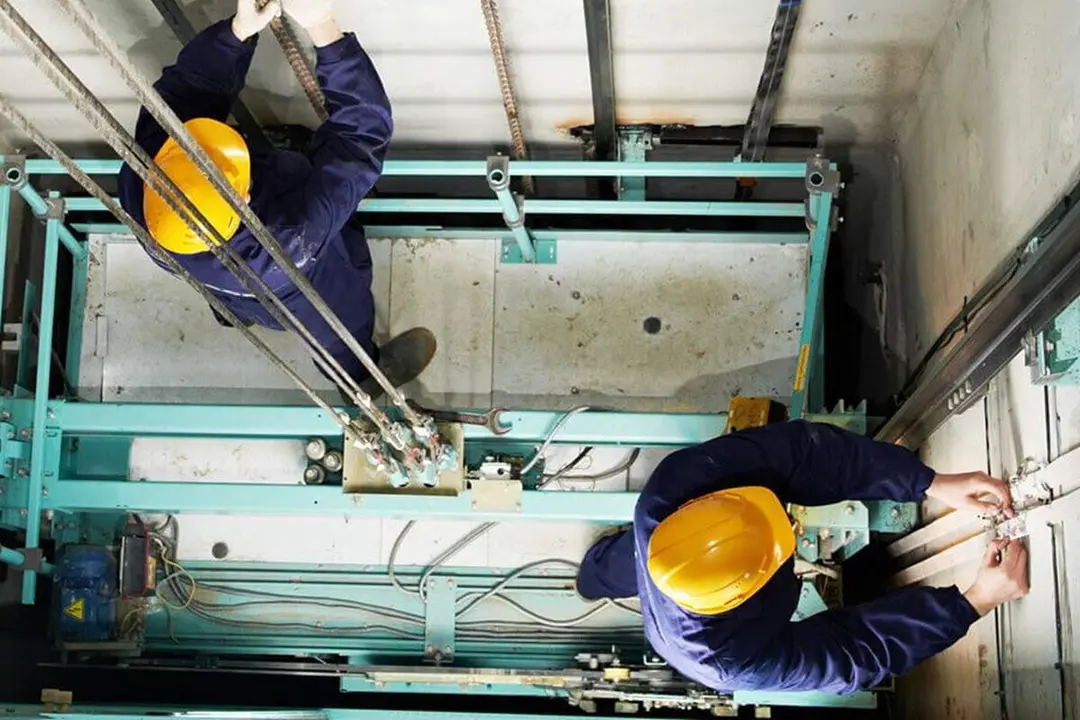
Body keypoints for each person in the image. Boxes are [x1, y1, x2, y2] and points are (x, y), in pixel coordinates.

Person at [118, 0, 435, 399]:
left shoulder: (143, 182)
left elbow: (189, 89)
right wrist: (324, 29)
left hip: (217, 277)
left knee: (227, 290)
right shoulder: (293, 234)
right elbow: (360, 138)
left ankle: (232, 310)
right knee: (341, 320)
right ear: (247, 197)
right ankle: (358, 378)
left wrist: (239, 31)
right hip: (288, 282)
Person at [576, 420, 1030, 694]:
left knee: (624, 559)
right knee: (633, 564)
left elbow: (805, 454)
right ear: (745, 592)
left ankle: (592, 575)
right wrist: (973, 602)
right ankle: (594, 576)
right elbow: (852, 653)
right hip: (683, 628)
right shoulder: (726, 661)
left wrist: (928, 482)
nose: (791, 528)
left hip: (655, 541)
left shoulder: (670, 492)